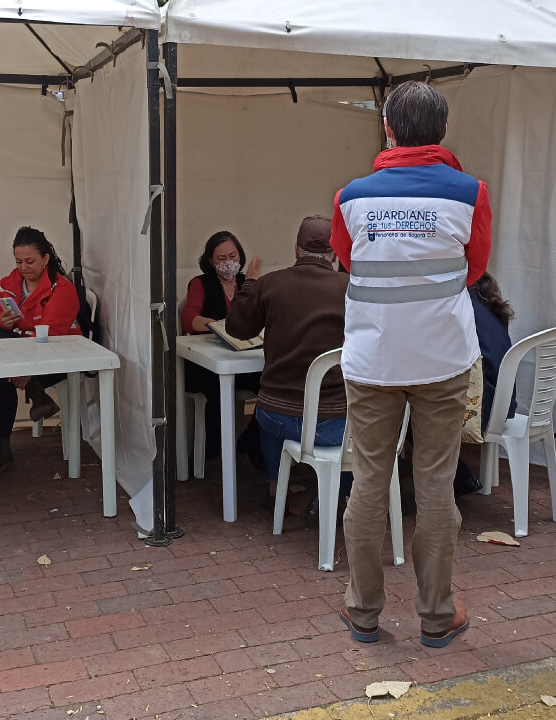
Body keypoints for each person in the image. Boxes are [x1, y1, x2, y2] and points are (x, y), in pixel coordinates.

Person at [330, 80, 491, 649]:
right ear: (442, 130)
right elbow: (475, 268)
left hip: (372, 359)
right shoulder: (470, 191)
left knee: (370, 480)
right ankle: (436, 613)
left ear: (388, 127)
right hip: (443, 357)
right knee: (436, 484)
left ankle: (363, 610)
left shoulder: (352, 196)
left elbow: (350, 262)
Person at [225, 216, 350, 511]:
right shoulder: (352, 288)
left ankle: (275, 483)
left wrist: (250, 283)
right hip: (334, 423)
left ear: (296, 249)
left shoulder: (271, 284)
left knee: (269, 405)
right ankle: (340, 495)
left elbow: (237, 328)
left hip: (277, 418)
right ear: (334, 252)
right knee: (362, 422)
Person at [0, 227, 82, 481]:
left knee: (1, 370)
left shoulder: (62, 289)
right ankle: (34, 393)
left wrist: (25, 367)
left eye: (30, 261)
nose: (23, 267)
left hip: (57, 357)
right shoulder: (7, 284)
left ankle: (0, 449)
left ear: (45, 258)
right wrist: (3, 321)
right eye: (18, 261)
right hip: (20, 356)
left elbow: (51, 334)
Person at [180, 230, 263, 463]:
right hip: (205, 363)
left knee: (270, 383)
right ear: (210, 261)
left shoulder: (246, 282)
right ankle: (213, 449)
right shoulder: (200, 284)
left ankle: (251, 439)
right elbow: (190, 320)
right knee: (215, 387)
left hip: (242, 361)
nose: (229, 263)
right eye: (221, 259)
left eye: (233, 256)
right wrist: (221, 326)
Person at [454, 273, 517, 493]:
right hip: (504, 406)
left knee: (414, 415)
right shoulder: (489, 311)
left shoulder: (461, 310)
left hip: (481, 409)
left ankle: (458, 478)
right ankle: (459, 477)